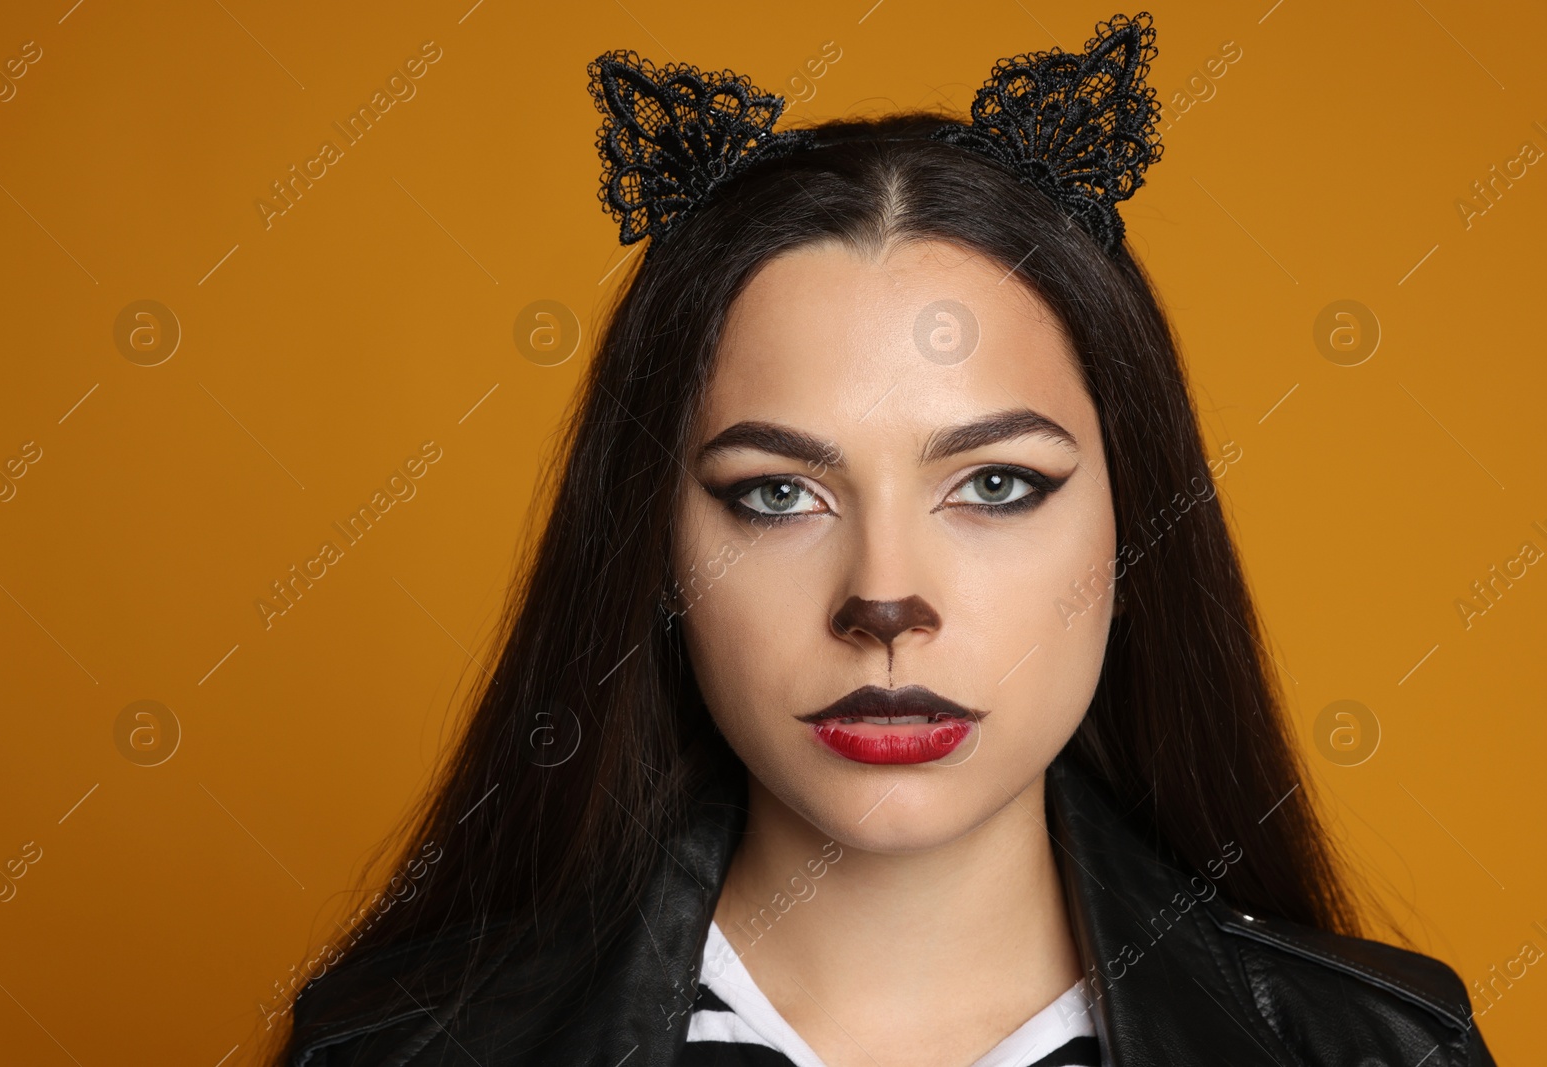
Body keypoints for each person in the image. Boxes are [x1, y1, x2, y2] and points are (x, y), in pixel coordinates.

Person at [269, 13, 1497, 1066]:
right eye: (776, 495)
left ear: (1135, 535)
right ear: (654, 552)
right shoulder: (393, 1048)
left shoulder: (1374, 1046)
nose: (886, 597)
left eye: (999, 483)